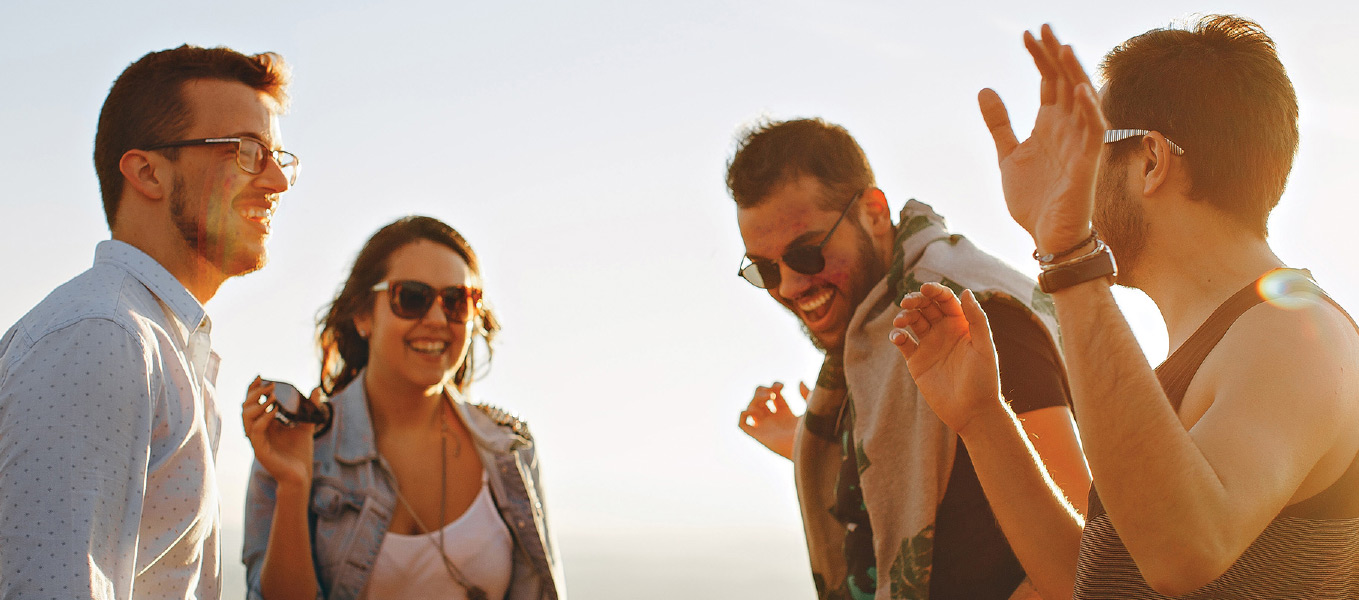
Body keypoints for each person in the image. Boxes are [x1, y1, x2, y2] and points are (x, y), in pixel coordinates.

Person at [890, 16, 1359, 599]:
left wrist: (1067, 253)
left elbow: (1184, 552)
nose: (1073, 177)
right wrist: (983, 418)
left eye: (1089, 151)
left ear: (1151, 160)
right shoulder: (1221, 346)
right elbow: (1094, 582)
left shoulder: (1294, 330)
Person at [728, 118, 1088, 599]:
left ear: (874, 213)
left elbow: (1085, 553)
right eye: (766, 269)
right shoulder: (874, 331)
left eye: (807, 253)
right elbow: (925, 480)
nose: (790, 286)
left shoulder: (975, 319)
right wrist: (817, 445)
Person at [0, 45, 294, 599]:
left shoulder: (162, 344)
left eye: (280, 156)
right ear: (147, 172)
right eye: (249, 151)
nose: (277, 181)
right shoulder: (103, 336)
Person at [241, 216, 565, 599]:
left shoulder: (509, 450)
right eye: (411, 298)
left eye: (457, 301)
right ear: (363, 315)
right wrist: (294, 486)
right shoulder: (299, 444)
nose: (437, 319)